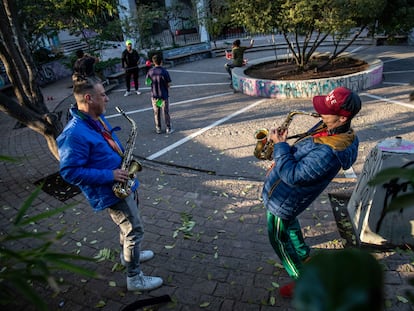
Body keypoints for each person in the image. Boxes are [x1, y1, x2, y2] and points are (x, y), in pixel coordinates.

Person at [57, 76, 163, 291]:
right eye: (102, 95)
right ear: (88, 98)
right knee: (134, 229)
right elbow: (69, 172)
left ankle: (129, 255)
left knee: (127, 227)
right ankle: (135, 278)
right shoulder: (74, 133)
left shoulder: (94, 118)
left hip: (122, 184)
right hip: (110, 190)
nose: (106, 98)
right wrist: (110, 175)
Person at [262, 86, 361, 298]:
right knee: (290, 223)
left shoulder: (329, 152)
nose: (320, 113)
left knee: (278, 239)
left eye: (326, 110)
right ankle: (304, 254)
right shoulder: (332, 127)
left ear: (342, 119)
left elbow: (294, 176)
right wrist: (285, 148)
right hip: (288, 199)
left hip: (285, 199)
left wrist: (280, 147)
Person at [145, 54, 173, 134]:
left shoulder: (150, 71)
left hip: (154, 95)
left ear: (153, 62)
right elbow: (169, 84)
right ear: (161, 62)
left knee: (156, 112)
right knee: (165, 112)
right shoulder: (164, 71)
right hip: (163, 95)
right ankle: (168, 127)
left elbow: (147, 82)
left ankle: (158, 128)